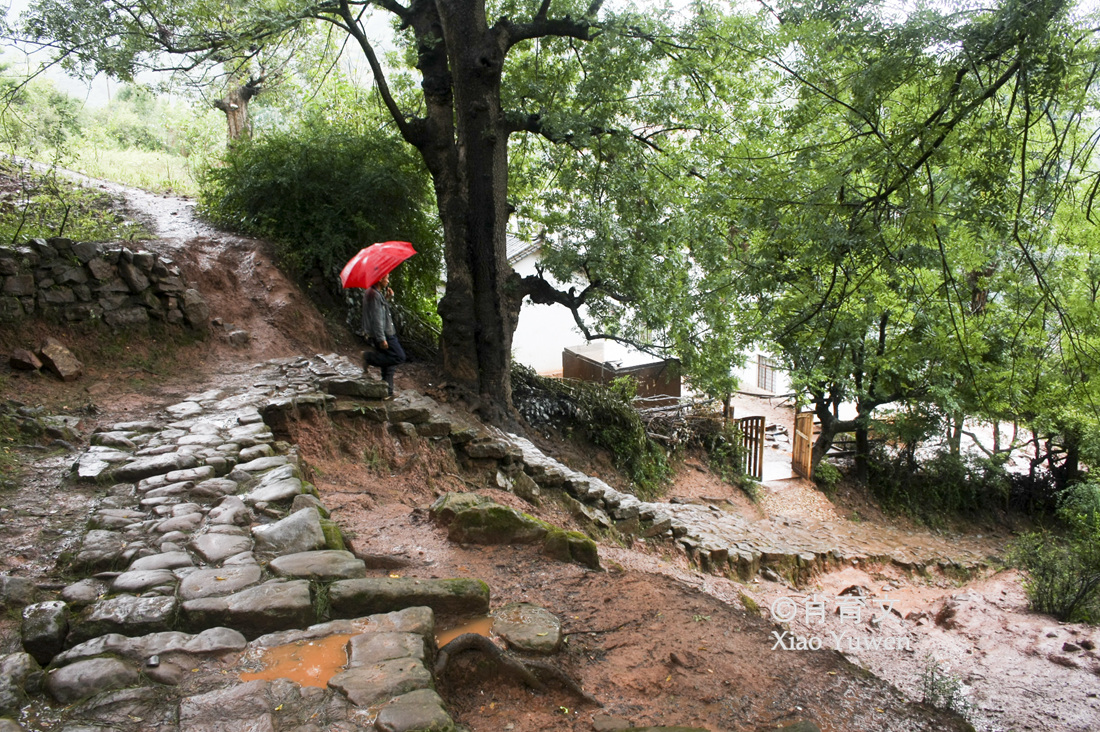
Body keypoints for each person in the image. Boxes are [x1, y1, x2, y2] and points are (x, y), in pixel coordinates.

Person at [361, 272, 406, 396]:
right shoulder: (374, 295)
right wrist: (382, 338)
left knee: (389, 365)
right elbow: (377, 318)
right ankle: (367, 357)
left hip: (383, 332)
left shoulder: (374, 293)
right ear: (380, 279)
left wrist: (387, 298)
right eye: (387, 278)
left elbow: (380, 311)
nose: (388, 281)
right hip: (385, 333)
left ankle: (387, 392)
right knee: (399, 356)